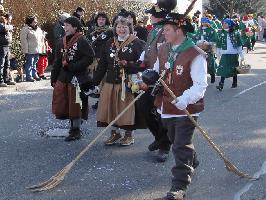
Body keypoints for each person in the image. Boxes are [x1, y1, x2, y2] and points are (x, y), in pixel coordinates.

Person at [152, 12, 208, 200]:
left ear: (179, 30)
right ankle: (192, 160)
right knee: (175, 139)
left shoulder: (195, 54)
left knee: (180, 145)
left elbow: (200, 85)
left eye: (167, 29)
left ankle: (179, 187)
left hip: (186, 108)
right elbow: (156, 70)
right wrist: (147, 79)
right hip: (165, 106)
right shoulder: (163, 49)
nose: (163, 32)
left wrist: (185, 99)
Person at [93, 17, 145, 146]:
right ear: (115, 28)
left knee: (126, 109)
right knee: (110, 108)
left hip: (128, 83)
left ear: (130, 29)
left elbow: (143, 64)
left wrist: (128, 64)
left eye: (125, 27)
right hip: (110, 82)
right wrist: (94, 82)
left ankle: (128, 135)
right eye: (119, 27)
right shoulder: (109, 43)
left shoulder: (137, 43)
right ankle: (115, 134)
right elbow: (102, 66)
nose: (121, 29)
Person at [138, 2, 174, 162]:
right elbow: (148, 50)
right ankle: (159, 137)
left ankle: (164, 145)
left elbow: (169, 53)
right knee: (144, 107)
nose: (149, 16)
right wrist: (141, 61)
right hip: (150, 76)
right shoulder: (153, 31)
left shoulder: (168, 30)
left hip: (164, 78)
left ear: (158, 16)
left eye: (152, 14)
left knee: (162, 114)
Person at [51, 16, 95, 141]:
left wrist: (74, 66)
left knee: (76, 103)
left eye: (67, 26)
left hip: (77, 77)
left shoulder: (82, 40)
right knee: (65, 103)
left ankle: (76, 130)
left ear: (75, 27)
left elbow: (89, 56)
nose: (65, 28)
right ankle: (72, 126)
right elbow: (57, 61)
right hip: (63, 77)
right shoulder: (61, 41)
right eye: (64, 26)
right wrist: (54, 77)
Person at [86, 12, 113, 109]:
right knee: (95, 78)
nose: (101, 21)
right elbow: (87, 43)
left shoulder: (110, 31)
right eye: (99, 19)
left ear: (106, 20)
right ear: (96, 20)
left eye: (103, 19)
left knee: (104, 80)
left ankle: (102, 100)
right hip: (94, 58)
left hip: (105, 58)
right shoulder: (91, 31)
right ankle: (98, 97)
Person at [216, 18, 244, 91]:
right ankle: (221, 84)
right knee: (223, 69)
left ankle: (234, 83)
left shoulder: (236, 33)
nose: (224, 24)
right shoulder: (221, 32)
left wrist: (242, 56)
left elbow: (239, 45)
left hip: (234, 54)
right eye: (223, 23)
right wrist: (218, 53)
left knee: (234, 69)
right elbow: (218, 44)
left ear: (230, 24)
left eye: (226, 23)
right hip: (225, 54)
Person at [20, 16, 45, 82]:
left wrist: (42, 48)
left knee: (35, 63)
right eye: (34, 21)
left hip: (37, 49)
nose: (36, 22)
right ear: (30, 22)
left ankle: (34, 75)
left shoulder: (38, 29)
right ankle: (29, 76)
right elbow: (23, 40)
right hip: (30, 50)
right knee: (29, 63)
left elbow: (41, 38)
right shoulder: (25, 29)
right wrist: (25, 50)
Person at [193, 17, 217, 83]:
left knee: (210, 63)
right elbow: (195, 38)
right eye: (202, 22)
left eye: (204, 22)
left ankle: (212, 75)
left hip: (209, 49)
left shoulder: (212, 30)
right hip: (200, 50)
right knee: (201, 64)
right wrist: (198, 42)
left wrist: (208, 42)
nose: (203, 23)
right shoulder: (199, 29)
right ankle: (202, 78)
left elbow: (215, 38)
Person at [0, 13, 15, 87]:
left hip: (7, 46)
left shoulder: (6, 25)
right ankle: (1, 80)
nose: (9, 21)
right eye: (8, 19)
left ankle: (7, 79)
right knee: (1, 64)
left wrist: (10, 27)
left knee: (7, 63)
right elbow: (4, 28)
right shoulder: (1, 25)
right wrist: (10, 27)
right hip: (2, 46)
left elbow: (9, 28)